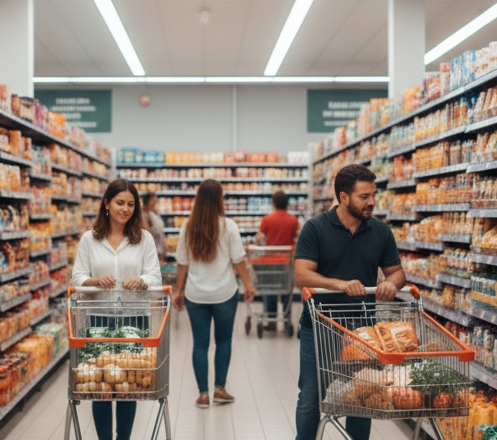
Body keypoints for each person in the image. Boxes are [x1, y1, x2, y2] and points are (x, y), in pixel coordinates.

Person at [293, 164, 405, 440]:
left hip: (363, 330)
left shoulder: (381, 232)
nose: (371, 202)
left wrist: (392, 283)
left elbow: (397, 273)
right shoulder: (316, 228)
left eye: (373, 195)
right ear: (344, 197)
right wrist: (340, 284)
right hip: (320, 326)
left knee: (362, 397)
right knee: (310, 398)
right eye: (363, 196)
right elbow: (302, 276)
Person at [71, 178, 162, 440]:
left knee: (127, 386)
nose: (125, 209)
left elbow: (155, 277)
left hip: (134, 319)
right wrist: (95, 281)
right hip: (98, 319)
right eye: (120, 202)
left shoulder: (143, 239)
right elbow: (77, 278)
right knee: (99, 385)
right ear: (107, 204)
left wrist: (142, 281)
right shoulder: (89, 239)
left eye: (131, 204)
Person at [172, 179, 256, 409]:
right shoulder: (228, 226)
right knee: (224, 340)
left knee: (200, 344)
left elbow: (182, 262)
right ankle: (220, 389)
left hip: (196, 294)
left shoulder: (188, 226)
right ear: (220, 199)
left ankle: (202, 395)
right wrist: (248, 285)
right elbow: (238, 260)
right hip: (224, 293)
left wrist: (178, 290)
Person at [256, 189, 300, 330]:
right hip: (286, 262)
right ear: (287, 204)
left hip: (270, 261)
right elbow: (297, 238)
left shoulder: (267, 219)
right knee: (287, 290)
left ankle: (271, 321)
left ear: (273, 203)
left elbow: (259, 237)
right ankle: (287, 321)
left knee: (270, 290)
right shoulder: (294, 220)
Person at [142, 191, 167, 264]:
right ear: (147, 201)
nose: (155, 203)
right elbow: (146, 232)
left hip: (160, 247)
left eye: (156, 200)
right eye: (153, 200)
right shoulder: (144, 214)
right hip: (152, 248)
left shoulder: (155, 213)